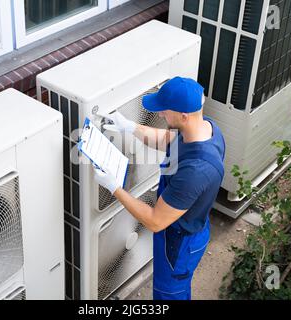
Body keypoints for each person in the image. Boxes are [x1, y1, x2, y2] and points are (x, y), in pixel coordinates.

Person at [94, 76, 226, 300]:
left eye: (165, 110)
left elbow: (155, 221)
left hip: (179, 242)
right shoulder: (205, 128)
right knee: (178, 291)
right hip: (185, 226)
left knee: (169, 294)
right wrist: (129, 127)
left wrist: (114, 187)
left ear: (183, 115)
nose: (161, 114)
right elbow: (168, 139)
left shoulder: (196, 170)